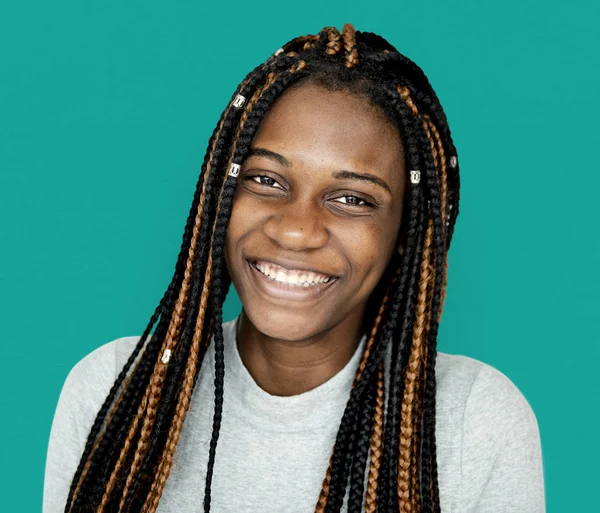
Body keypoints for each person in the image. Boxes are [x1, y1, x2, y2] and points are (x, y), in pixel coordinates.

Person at [43, 23, 545, 513]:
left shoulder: (473, 418)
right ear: (221, 194)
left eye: (352, 198)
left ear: (404, 234)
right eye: (266, 179)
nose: (297, 230)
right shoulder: (115, 389)